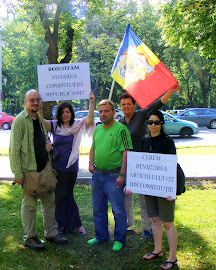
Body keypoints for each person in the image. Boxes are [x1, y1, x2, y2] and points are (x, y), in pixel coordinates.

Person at [9, 89, 68, 251]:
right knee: (29, 205)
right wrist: (18, 174)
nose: (35, 103)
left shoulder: (40, 119)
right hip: (29, 171)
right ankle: (30, 237)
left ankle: (51, 232)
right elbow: (14, 149)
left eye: (37, 100)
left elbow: (43, 140)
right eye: (31, 100)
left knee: (49, 203)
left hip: (45, 169)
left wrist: (48, 146)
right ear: (25, 102)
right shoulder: (20, 121)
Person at [119, 84, 180, 237]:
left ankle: (147, 227)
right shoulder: (119, 122)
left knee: (144, 197)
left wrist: (170, 91)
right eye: (123, 104)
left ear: (134, 105)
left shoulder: (141, 115)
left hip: (143, 163)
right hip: (126, 164)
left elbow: (158, 104)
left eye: (129, 104)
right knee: (126, 196)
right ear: (120, 107)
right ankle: (127, 224)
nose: (126, 107)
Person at [43, 92, 95, 234]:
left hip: (71, 167)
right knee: (59, 197)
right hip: (56, 167)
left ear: (71, 113)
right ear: (59, 114)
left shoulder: (77, 126)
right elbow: (41, 121)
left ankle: (77, 224)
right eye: (63, 112)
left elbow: (90, 120)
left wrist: (91, 103)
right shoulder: (55, 126)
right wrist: (39, 102)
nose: (65, 114)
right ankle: (62, 225)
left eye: (68, 112)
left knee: (68, 195)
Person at [87, 100, 133, 251]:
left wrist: (122, 174)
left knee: (118, 210)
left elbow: (126, 152)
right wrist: (90, 163)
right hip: (98, 175)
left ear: (113, 112)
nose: (103, 114)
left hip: (114, 176)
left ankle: (119, 239)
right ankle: (101, 236)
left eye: (106, 111)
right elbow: (93, 148)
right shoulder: (98, 129)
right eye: (100, 111)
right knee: (98, 209)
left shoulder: (121, 129)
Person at [140, 110, 178, 270]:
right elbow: (139, 164)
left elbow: (172, 166)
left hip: (164, 188)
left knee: (168, 222)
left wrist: (171, 189)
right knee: (155, 220)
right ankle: (158, 250)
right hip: (149, 187)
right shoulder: (143, 141)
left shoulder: (167, 141)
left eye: (156, 122)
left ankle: (173, 257)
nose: (153, 125)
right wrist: (134, 184)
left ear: (161, 124)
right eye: (150, 122)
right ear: (147, 124)